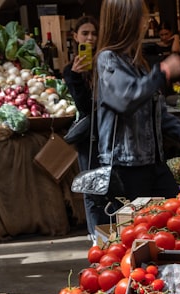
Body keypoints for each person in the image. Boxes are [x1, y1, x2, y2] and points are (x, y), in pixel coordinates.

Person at [92, 0, 180, 213]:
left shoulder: (136, 63)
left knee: (177, 214)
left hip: (153, 163)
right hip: (126, 168)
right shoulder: (108, 60)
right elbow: (127, 98)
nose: (145, 23)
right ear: (126, 22)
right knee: (138, 231)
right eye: (141, 18)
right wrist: (163, 71)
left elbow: (159, 114)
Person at [62, 15, 102, 241]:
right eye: (85, 33)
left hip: (109, 132)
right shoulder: (70, 70)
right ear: (75, 37)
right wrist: (77, 78)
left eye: (94, 33)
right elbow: (84, 106)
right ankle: (95, 235)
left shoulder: (107, 64)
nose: (90, 38)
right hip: (88, 135)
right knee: (91, 185)